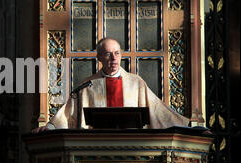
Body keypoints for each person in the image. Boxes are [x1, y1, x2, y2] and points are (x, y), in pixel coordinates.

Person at [32, 37, 189, 133]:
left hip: (131, 147)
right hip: (96, 148)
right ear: (99, 57)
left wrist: (189, 126)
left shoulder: (136, 83)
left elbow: (158, 112)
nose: (113, 58)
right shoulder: (87, 85)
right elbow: (68, 115)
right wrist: (51, 127)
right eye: (108, 54)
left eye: (117, 53)